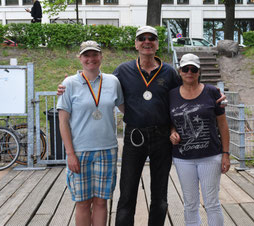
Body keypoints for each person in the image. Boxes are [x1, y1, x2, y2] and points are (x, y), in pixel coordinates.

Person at [57, 26, 226, 226]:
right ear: (136, 44)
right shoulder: (122, 71)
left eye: (151, 38)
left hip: (162, 138)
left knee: (160, 195)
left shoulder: (170, 72)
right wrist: (65, 87)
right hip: (134, 138)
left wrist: (211, 91)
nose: (147, 42)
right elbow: (96, 81)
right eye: (142, 38)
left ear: (157, 44)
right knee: (127, 192)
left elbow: (188, 87)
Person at [57, 40, 124, 226]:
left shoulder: (113, 81)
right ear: (79, 58)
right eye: (86, 55)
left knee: (102, 202)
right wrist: (70, 154)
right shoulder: (69, 83)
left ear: (101, 57)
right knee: (83, 202)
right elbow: (63, 122)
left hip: (107, 150)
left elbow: (127, 108)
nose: (91, 59)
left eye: (95, 54)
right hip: (79, 151)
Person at [169, 53, 230, 226]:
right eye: (185, 69)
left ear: (199, 71)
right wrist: (172, 132)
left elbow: (223, 125)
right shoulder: (172, 95)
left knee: (212, 203)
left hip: (210, 156)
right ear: (180, 71)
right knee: (190, 203)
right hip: (183, 158)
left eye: (193, 69)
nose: (189, 72)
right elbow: (170, 121)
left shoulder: (212, 92)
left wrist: (226, 154)